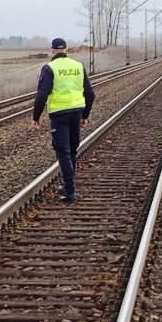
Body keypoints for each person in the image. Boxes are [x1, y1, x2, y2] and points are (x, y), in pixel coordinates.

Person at [32, 38, 95, 203]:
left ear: (52, 51)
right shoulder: (78, 66)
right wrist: (85, 115)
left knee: (63, 152)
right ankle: (68, 186)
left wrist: (36, 117)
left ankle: (70, 192)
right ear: (66, 50)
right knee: (72, 150)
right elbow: (90, 94)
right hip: (76, 113)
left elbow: (41, 95)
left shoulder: (49, 68)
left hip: (59, 115)